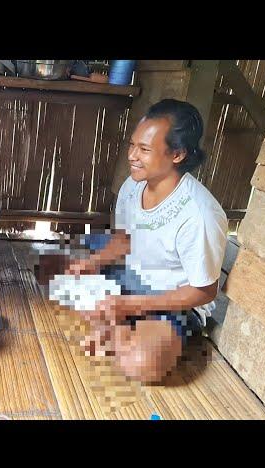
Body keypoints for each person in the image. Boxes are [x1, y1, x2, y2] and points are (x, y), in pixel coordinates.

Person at [63, 99, 227, 383]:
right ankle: (119, 326)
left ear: (177, 154)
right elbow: (123, 240)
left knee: (142, 366)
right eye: (132, 145)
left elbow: (204, 291)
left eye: (145, 149)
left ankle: (119, 328)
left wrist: (130, 306)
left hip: (174, 302)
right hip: (131, 279)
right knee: (62, 276)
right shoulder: (132, 186)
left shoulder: (199, 214)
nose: (132, 156)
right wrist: (90, 264)